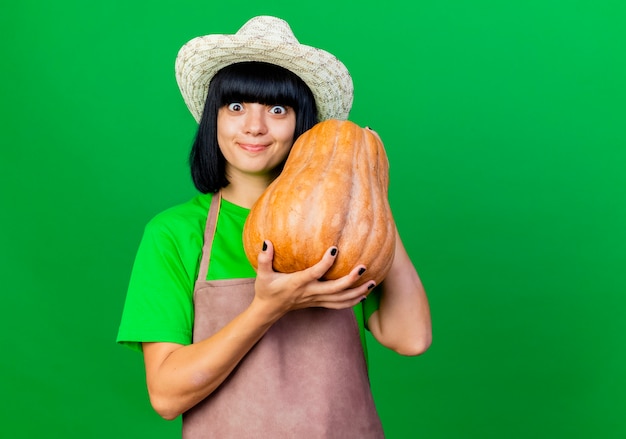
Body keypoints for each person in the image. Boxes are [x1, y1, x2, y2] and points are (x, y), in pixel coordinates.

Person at [117, 15, 432, 438]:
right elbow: (167, 396)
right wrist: (267, 308)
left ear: (303, 125)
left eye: (278, 109)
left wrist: (367, 190)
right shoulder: (174, 233)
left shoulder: (341, 229)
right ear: (214, 119)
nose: (254, 126)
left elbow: (409, 338)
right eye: (236, 106)